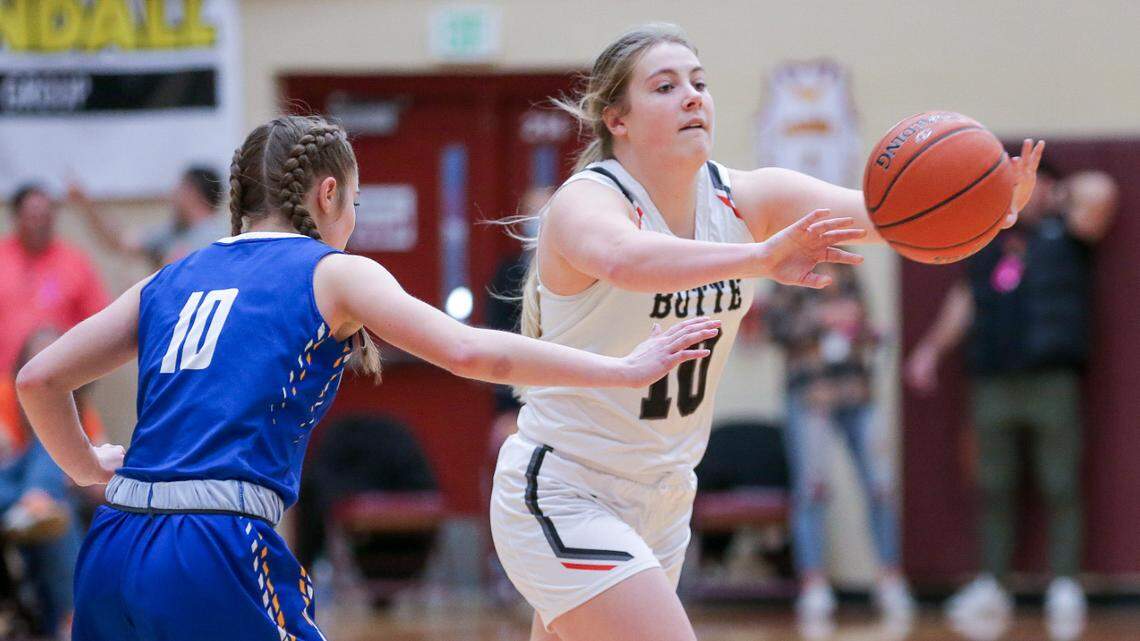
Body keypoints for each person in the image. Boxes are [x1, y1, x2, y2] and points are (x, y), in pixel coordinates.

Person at [15, 114, 722, 641]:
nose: (353, 218)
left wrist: (87, 469)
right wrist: (621, 368)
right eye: (354, 201)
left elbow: (39, 380)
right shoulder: (332, 270)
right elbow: (479, 354)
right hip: (214, 544)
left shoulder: (170, 277)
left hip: (113, 543)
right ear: (328, 193)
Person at [488, 23, 1042, 641]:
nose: (693, 97)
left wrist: (989, 206)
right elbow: (626, 260)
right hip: (568, 488)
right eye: (666, 86)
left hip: (665, 495)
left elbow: (889, 218)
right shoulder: (586, 202)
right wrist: (760, 258)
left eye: (699, 83)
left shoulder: (749, 198)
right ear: (617, 118)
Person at [906, 161, 1116, 633]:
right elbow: (963, 301)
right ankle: (993, 583)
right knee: (993, 486)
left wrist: (1049, 193)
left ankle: (1065, 583)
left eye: (1030, 185)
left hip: (1052, 379)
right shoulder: (987, 240)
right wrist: (930, 351)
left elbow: (1101, 188)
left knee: (1060, 483)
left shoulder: (1070, 231)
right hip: (992, 381)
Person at [764, 262, 914, 625]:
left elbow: (865, 322)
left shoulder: (849, 268)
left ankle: (890, 578)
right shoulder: (787, 263)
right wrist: (822, 317)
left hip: (856, 392)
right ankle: (814, 584)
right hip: (810, 394)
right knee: (811, 490)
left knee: (880, 486)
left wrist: (865, 329)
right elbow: (776, 327)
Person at [0, 185, 109, 375]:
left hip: (58, 385)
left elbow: (102, 325)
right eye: (33, 217)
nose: (40, 224)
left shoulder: (75, 262)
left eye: (46, 217)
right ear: (17, 218)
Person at [68, 166, 228, 270]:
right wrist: (86, 205)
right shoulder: (170, 233)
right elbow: (119, 240)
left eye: (178, 189)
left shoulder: (221, 238)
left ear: (191, 193)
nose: (172, 196)